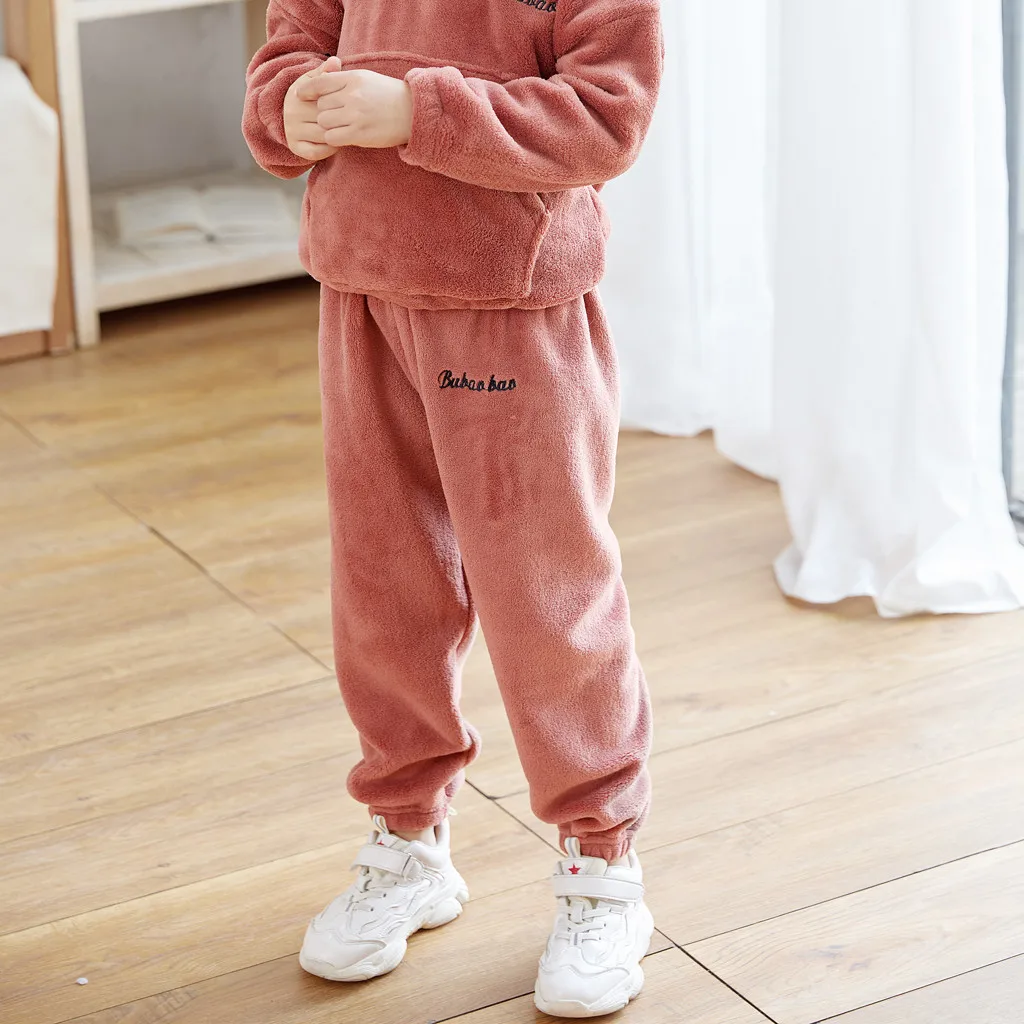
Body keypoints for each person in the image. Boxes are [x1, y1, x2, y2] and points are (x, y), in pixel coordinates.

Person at [242, 0, 662, 1016]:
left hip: (511, 301)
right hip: (362, 286)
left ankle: (601, 861)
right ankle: (407, 835)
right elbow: (290, 45)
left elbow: (606, 118)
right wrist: (289, 107)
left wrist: (418, 113)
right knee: (384, 586)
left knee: (546, 594)